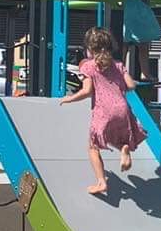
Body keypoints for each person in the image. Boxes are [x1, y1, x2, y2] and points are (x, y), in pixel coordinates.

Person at [57, 26, 144, 195]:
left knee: (93, 147)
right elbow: (131, 85)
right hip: (123, 109)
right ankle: (124, 148)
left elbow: (87, 91)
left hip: (104, 111)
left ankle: (101, 182)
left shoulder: (89, 67)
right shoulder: (118, 65)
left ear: (89, 50)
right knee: (112, 138)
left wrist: (69, 98)